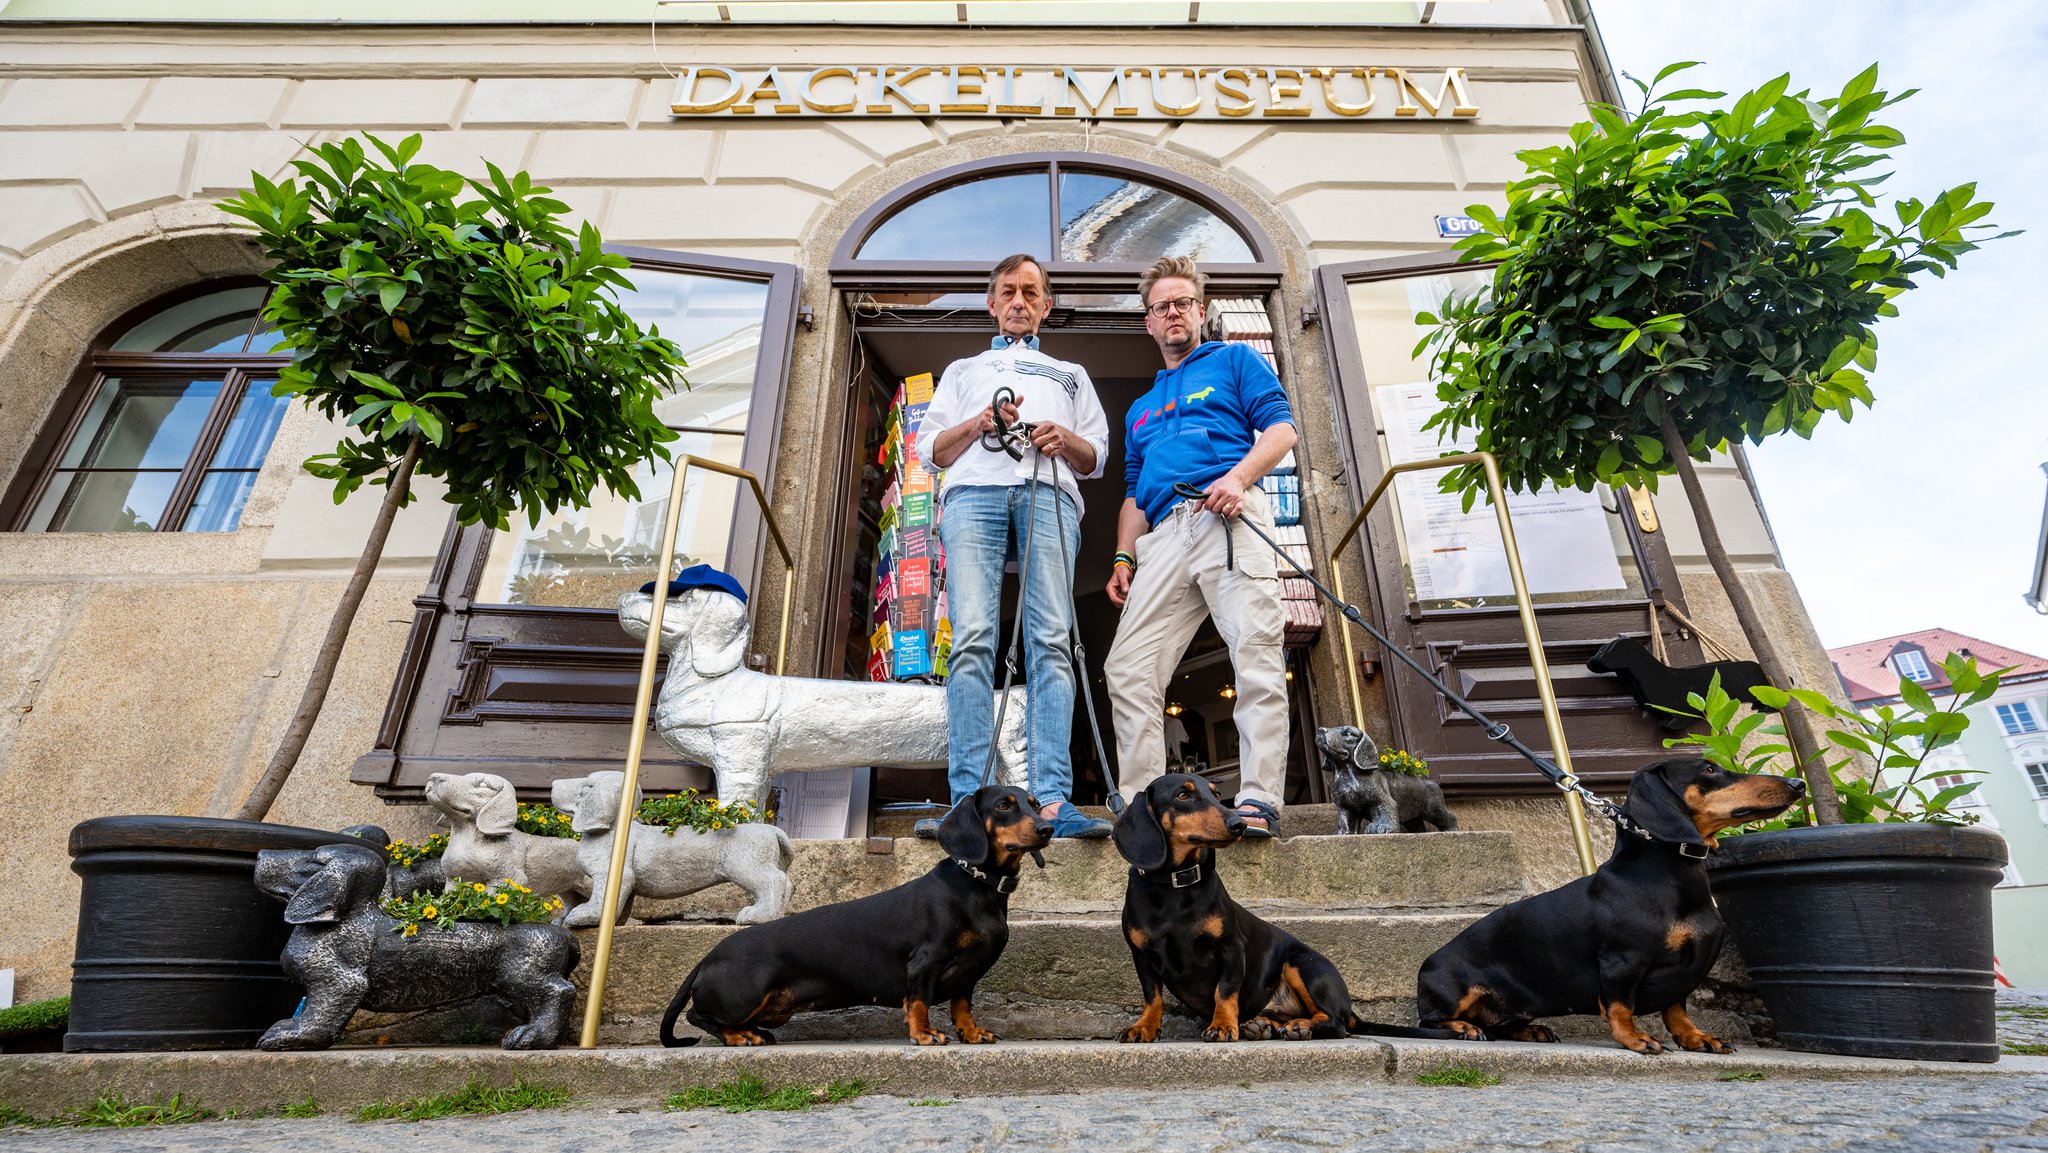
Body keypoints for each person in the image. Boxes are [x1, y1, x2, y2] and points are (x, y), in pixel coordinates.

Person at [912, 253, 1113, 840]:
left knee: (1051, 637)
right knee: (973, 639)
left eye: (1031, 292)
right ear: (991, 303)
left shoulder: (1071, 372)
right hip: (974, 494)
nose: (1019, 301)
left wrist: (1063, 437)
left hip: (1048, 492)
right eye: (1008, 292)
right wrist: (981, 422)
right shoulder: (962, 369)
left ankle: (1052, 799)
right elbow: (933, 451)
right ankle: (967, 805)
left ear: (1046, 306)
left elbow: (1097, 456)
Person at [1103, 255, 1298, 838]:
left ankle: (1260, 799)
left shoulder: (1235, 360)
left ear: (1202, 310)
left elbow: (1282, 429)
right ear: (1149, 322)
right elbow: (1134, 495)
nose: (1172, 314)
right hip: (1163, 536)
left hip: (1226, 515)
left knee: (1255, 649)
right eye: (1161, 306)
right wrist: (1122, 556)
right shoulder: (1140, 408)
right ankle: (1143, 808)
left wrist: (1238, 478)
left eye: (1182, 302)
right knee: (1127, 668)